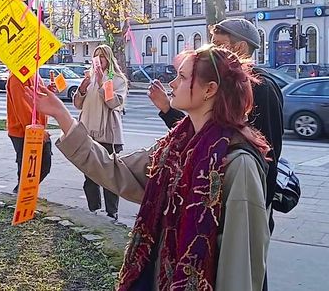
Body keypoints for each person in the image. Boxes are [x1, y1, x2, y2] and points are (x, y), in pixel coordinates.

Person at [26, 45, 270, 290]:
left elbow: (241, 271)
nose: (172, 84)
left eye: (182, 77)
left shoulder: (237, 163)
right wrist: (61, 114)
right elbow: (116, 171)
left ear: (210, 89)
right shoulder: (174, 148)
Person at [148, 18, 283, 235]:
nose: (211, 50)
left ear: (240, 47)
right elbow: (203, 134)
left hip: (244, 203)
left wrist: (257, 209)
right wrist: (167, 110)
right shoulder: (222, 82)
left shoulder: (261, 87)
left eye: (218, 44)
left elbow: (267, 154)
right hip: (216, 199)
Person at [74, 45, 127, 220]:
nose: (98, 61)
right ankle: (94, 210)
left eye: (102, 57)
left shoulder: (117, 79)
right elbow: (78, 105)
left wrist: (103, 84)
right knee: (90, 176)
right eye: (96, 57)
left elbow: (113, 103)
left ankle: (112, 213)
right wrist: (82, 88)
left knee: (109, 177)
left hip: (107, 135)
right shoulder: (89, 79)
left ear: (109, 59)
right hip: (88, 133)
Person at [6, 72, 52, 193]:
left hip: (35, 128)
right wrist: (37, 130)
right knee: (30, 169)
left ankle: (24, 194)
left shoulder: (33, 72)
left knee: (41, 167)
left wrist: (48, 91)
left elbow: (34, 96)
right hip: (23, 131)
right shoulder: (17, 77)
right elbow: (22, 108)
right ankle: (22, 196)